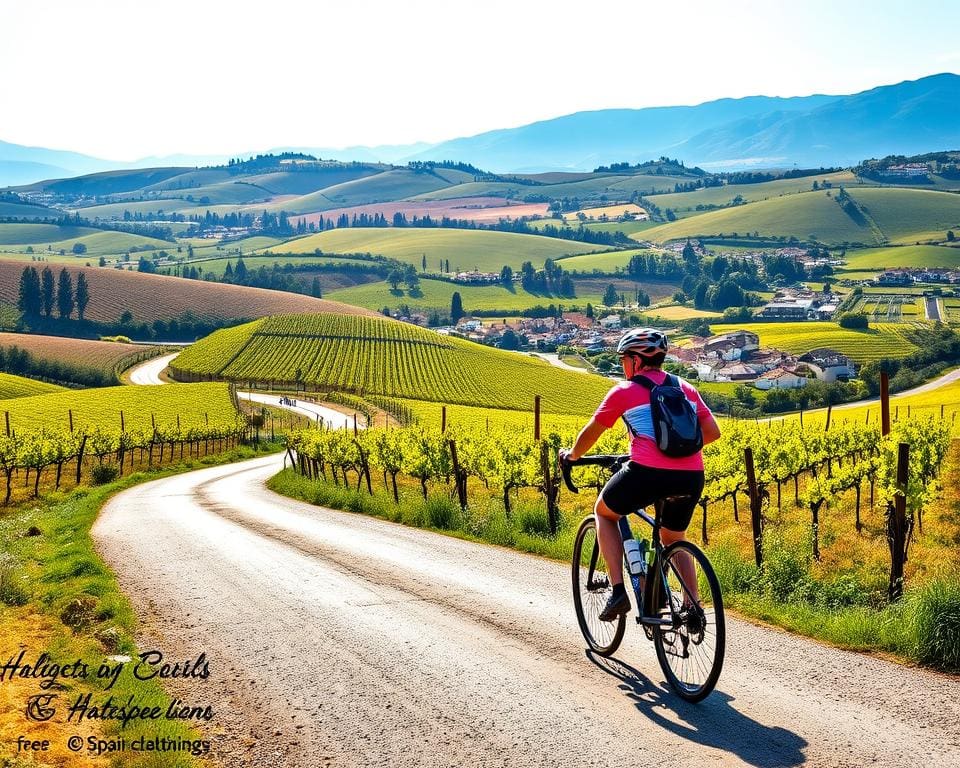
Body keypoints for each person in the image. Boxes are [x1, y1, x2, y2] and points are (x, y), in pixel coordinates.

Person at [559, 328, 721, 621]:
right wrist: (676, 453)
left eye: (624, 359)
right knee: (673, 538)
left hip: (646, 471)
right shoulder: (686, 388)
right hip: (692, 475)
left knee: (605, 513)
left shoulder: (624, 391)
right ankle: (693, 608)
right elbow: (712, 432)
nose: (623, 365)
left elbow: (591, 433)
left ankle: (618, 591)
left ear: (636, 360)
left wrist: (572, 455)